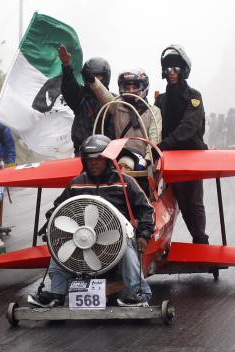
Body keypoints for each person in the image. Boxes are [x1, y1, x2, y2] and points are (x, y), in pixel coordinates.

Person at [37, 135, 155, 307]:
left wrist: (144, 235)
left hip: (116, 240)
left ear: (107, 159)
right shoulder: (75, 184)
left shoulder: (125, 183)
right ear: (84, 161)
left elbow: (147, 210)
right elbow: (57, 210)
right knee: (59, 252)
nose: (93, 163)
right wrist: (50, 228)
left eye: (98, 158)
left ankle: (139, 294)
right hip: (83, 239)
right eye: (89, 159)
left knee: (128, 251)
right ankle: (56, 294)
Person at [155, 44, 209, 244]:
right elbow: (154, 125)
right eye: (168, 69)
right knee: (168, 202)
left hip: (191, 157)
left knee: (192, 203)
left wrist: (164, 144)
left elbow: (189, 127)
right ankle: (161, 245)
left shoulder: (194, 96)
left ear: (184, 71)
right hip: (168, 158)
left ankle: (200, 241)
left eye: (176, 69)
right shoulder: (161, 100)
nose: (172, 73)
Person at [83, 67, 162, 160]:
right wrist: (92, 80)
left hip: (145, 162)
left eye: (135, 87)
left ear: (144, 88)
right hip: (121, 160)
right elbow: (103, 94)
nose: (131, 91)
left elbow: (154, 139)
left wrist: (148, 161)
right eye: (127, 88)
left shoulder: (153, 111)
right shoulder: (117, 106)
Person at [58, 45, 115, 156]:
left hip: (109, 154)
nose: (92, 78)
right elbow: (69, 88)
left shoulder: (114, 101)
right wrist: (66, 66)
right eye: (90, 75)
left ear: (105, 76)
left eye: (97, 76)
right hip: (83, 154)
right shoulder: (81, 97)